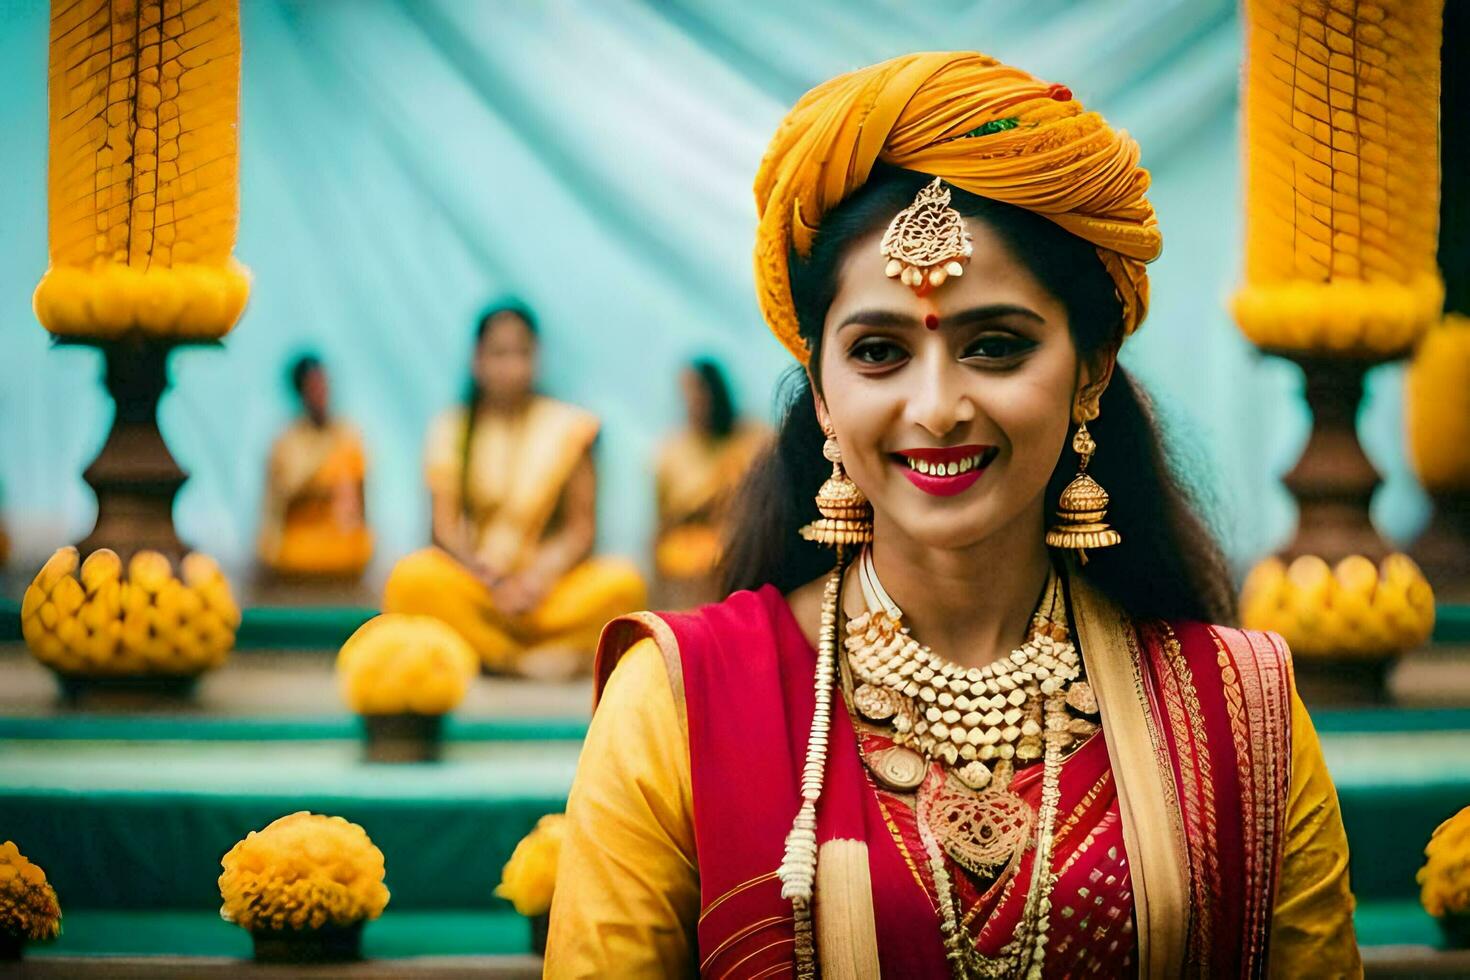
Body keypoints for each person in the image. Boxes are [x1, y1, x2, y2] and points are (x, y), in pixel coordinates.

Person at [547, 53, 1359, 977]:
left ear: (1091, 369)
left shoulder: (1237, 710)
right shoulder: (678, 701)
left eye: (997, 347)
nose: (936, 407)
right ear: (819, 392)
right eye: (880, 352)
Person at [383, 301, 645, 677]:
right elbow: (443, 527)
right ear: (477, 360)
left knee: (623, 582)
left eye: (522, 353)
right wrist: (489, 578)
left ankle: (488, 655)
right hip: (480, 588)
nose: (511, 367)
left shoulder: (568, 428)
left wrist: (538, 577)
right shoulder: (452, 428)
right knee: (412, 579)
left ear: (537, 358)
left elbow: (580, 529)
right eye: (499, 354)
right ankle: (524, 660)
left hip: (546, 594)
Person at [652, 358, 769, 607]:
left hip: (744, 545)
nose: (694, 402)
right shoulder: (672, 452)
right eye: (687, 394)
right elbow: (662, 526)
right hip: (689, 558)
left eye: (699, 391)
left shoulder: (755, 441)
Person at [257, 354, 373, 579]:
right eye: (313, 387)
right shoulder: (287, 442)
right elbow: (279, 501)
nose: (321, 393)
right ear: (300, 393)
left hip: (344, 558)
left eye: (323, 385)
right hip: (297, 559)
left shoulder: (348, 436)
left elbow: (359, 503)